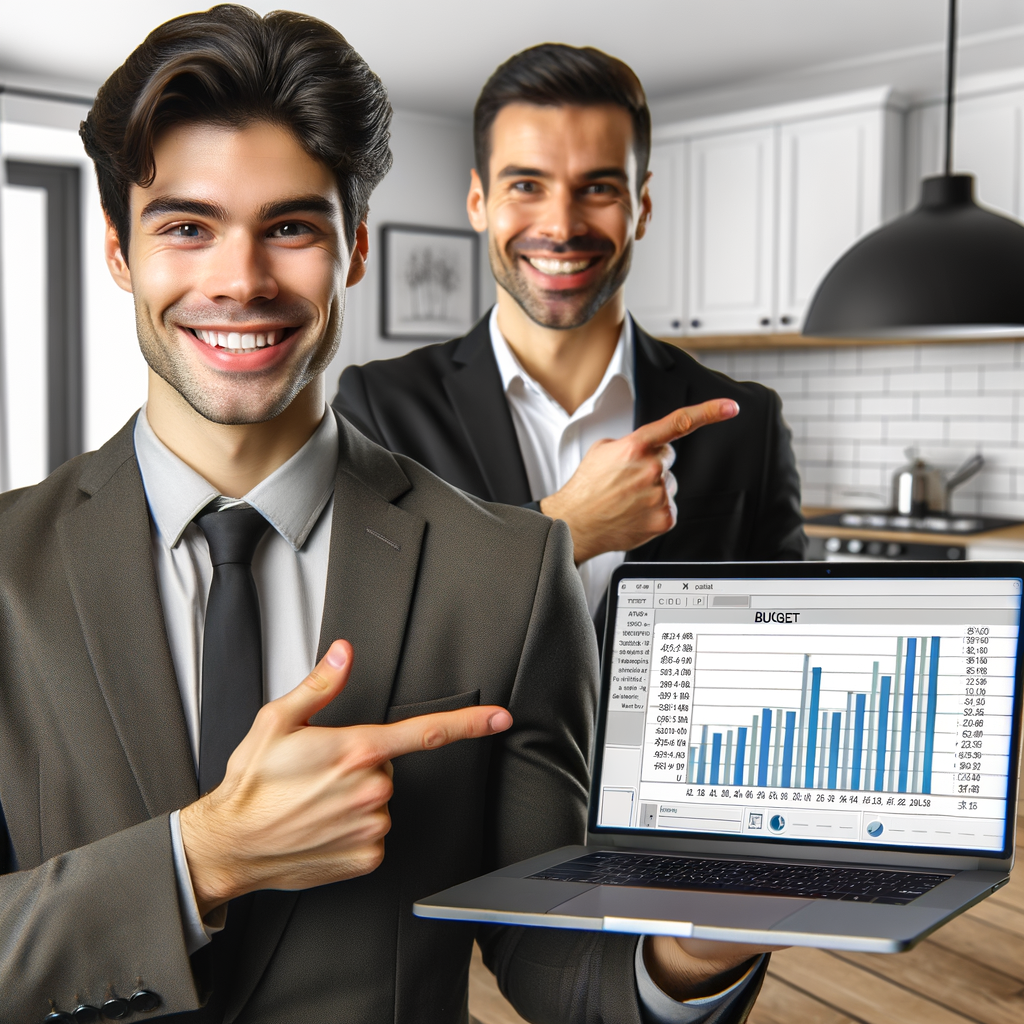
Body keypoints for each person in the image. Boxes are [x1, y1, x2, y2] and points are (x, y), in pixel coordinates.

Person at [0, 9, 774, 1023]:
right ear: (117, 250)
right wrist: (199, 861)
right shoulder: (8, 567)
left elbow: (555, 960)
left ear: (354, 248)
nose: (239, 280)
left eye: (291, 227)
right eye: (186, 226)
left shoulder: (509, 567)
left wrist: (689, 952)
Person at [333, 44, 806, 626]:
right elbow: (364, 630)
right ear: (480, 202)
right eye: (527, 186)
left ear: (643, 207)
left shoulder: (746, 424)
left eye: (599, 188)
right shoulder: (380, 408)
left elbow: (784, 633)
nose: (561, 226)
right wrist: (565, 528)